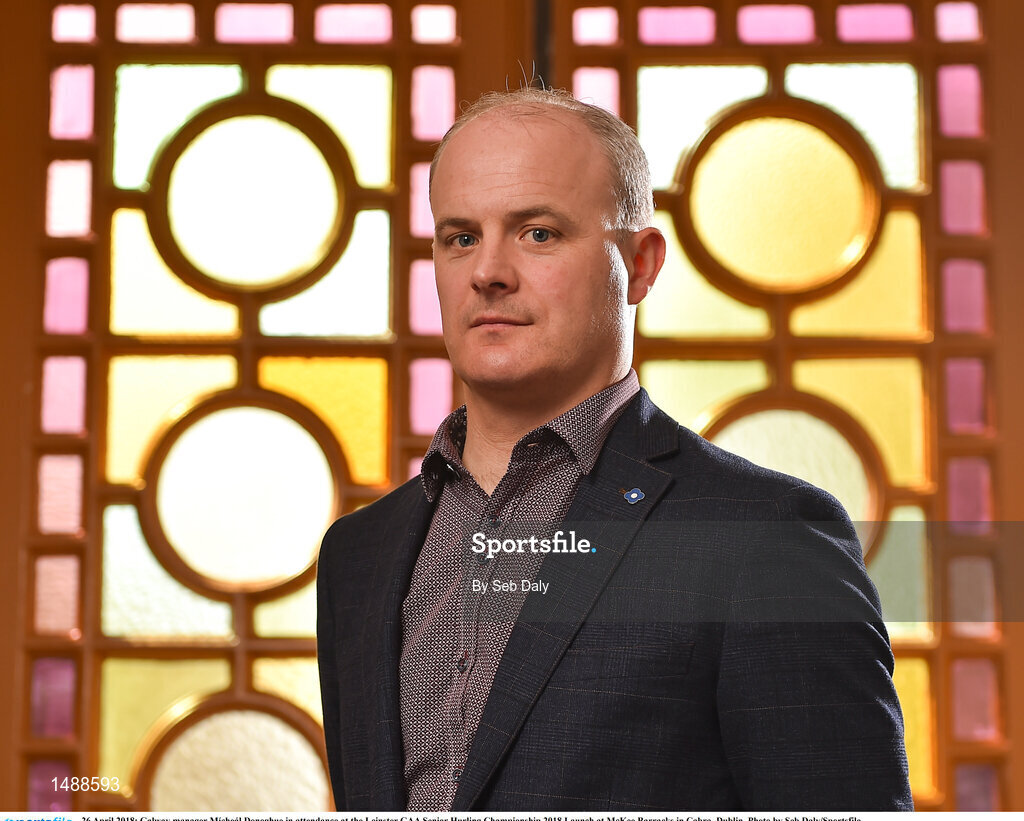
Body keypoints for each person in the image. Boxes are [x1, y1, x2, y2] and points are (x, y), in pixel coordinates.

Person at [316, 87, 913, 811]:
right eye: (461, 237)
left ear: (641, 263)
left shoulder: (765, 539)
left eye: (538, 233)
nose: (487, 271)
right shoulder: (358, 556)